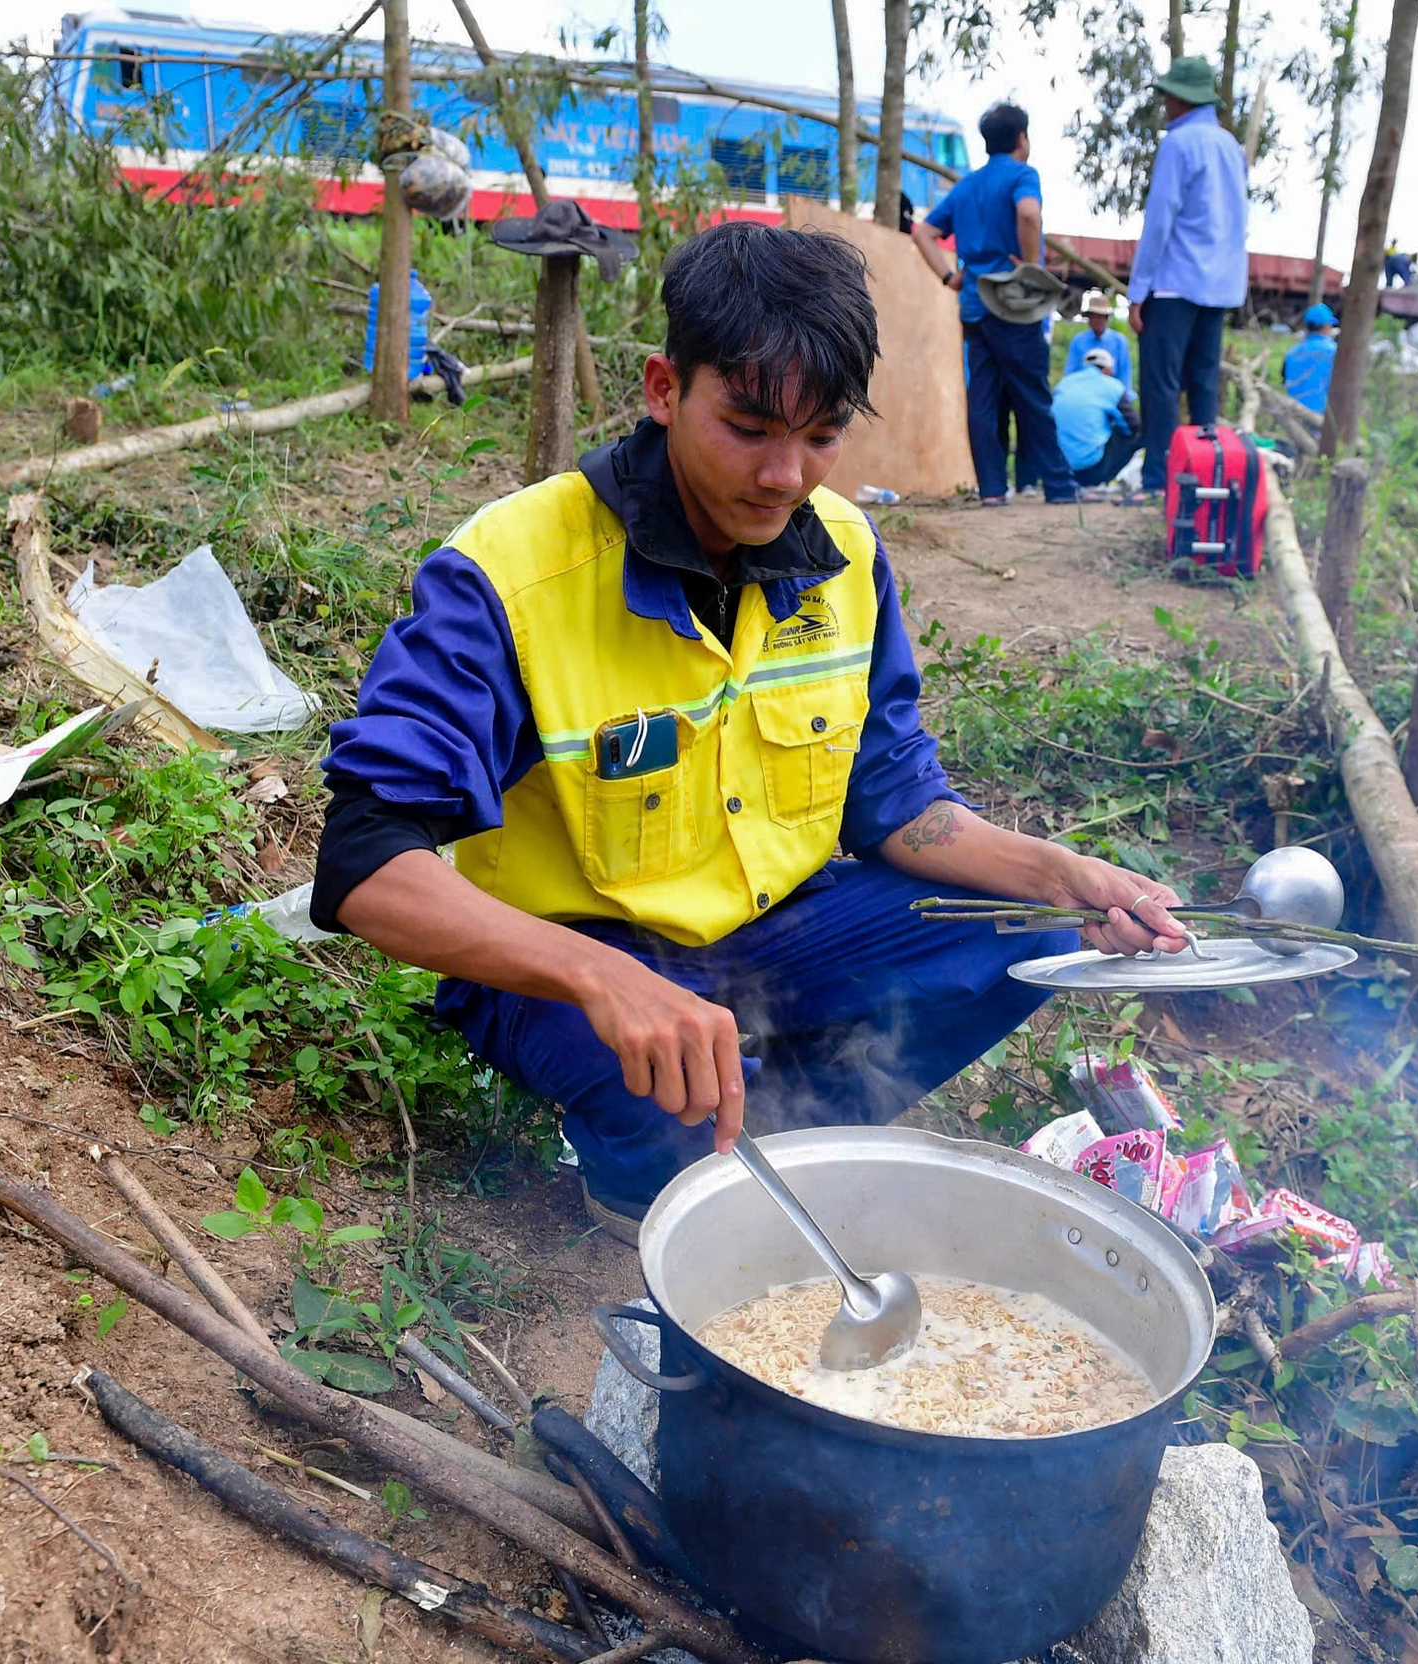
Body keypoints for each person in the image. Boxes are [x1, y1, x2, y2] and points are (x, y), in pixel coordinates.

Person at [311, 220, 1187, 1242]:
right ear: (663, 389)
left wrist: (1061, 872)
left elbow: (896, 799)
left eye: (822, 435)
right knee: (656, 1097)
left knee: (1029, 931)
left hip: (781, 934)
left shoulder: (847, 555)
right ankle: (654, 1157)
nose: (786, 475)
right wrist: (605, 978)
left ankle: (779, 1119)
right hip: (572, 956)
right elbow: (367, 865)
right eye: (750, 426)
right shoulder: (507, 575)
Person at [913, 102, 1075, 505]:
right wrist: (1032, 269)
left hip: (974, 305)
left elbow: (924, 234)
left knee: (982, 397)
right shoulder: (1022, 175)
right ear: (1022, 138)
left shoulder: (967, 185)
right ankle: (1058, 486)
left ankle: (992, 490)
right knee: (1032, 394)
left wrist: (949, 277)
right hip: (1014, 303)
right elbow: (1028, 214)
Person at [1125, 55, 1246, 498]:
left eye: (1166, 97)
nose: (1164, 104)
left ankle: (1159, 478)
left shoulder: (1179, 145)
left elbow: (1159, 222)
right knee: (1202, 384)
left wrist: (1138, 292)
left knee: (1160, 385)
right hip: (1218, 287)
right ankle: (1205, 479)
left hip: (1175, 283)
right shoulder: (1230, 147)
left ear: (1178, 99)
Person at [1053, 345, 1142, 489]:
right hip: (1091, 468)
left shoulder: (1063, 384)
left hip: (1058, 467)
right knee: (1136, 433)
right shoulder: (1112, 386)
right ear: (1108, 369)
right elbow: (1133, 425)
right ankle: (1101, 480)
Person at [1063, 289, 1132, 385]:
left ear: (1106, 318)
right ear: (1088, 318)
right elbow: (1070, 373)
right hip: (1083, 388)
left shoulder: (1119, 341)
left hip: (1110, 391)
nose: (1096, 320)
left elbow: (1125, 375)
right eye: (1093, 316)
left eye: (1100, 316)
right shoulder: (1078, 341)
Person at [1281, 303, 1338, 415]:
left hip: (1293, 414)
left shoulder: (1291, 353)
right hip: (1323, 416)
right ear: (1327, 326)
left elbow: (1284, 380)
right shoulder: (1335, 351)